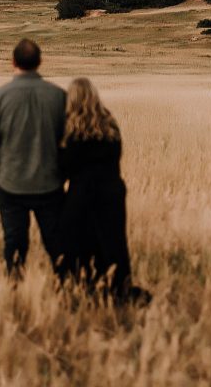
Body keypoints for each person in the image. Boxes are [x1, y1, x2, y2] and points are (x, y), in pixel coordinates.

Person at [0, 39, 67, 278]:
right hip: (50, 183)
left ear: (13, 62)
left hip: (11, 184)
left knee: (14, 243)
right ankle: (67, 289)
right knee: (58, 243)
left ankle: (15, 289)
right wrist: (64, 171)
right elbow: (72, 139)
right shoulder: (59, 96)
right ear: (40, 62)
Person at [58, 78, 150, 305]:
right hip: (112, 192)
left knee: (78, 241)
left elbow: (64, 166)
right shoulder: (109, 123)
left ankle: (85, 286)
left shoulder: (70, 127)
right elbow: (117, 156)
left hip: (82, 193)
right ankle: (118, 287)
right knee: (113, 241)